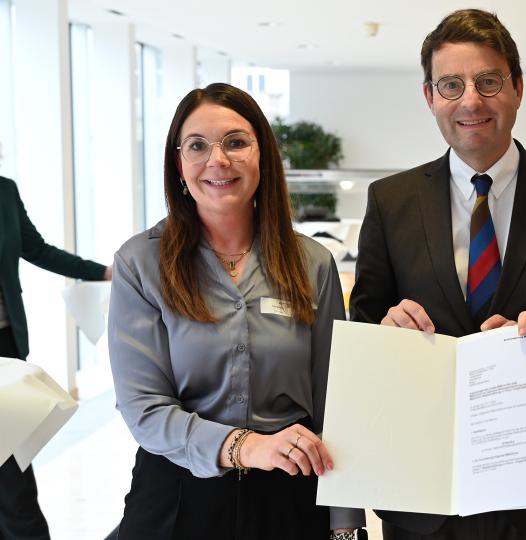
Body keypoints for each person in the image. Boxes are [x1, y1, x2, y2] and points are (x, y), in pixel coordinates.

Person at [348, 8, 526, 540]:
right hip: (421, 493)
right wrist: (387, 330)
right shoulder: (390, 201)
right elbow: (363, 336)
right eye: (451, 85)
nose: (470, 100)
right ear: (429, 97)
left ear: (517, 88)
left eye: (488, 81)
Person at [107, 83, 364, 540]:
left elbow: (336, 405)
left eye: (236, 142)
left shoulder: (313, 263)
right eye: (197, 146)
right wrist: (246, 447)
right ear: (178, 165)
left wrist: (345, 525)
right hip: (177, 493)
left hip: (290, 497)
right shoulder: (139, 263)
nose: (218, 160)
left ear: (262, 155)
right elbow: (144, 408)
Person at [0, 175, 111, 540]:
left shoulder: (4, 190)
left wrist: (101, 272)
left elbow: (37, 250)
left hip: (6, 347)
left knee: (12, 467)